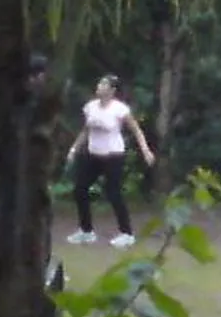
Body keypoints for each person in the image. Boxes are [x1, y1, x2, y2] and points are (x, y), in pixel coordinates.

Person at [65, 74, 154, 249]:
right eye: (99, 83)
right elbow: (86, 130)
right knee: (80, 189)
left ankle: (126, 233)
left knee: (113, 193)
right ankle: (86, 231)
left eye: (104, 84)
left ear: (112, 91)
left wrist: (145, 150)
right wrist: (73, 149)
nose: (99, 86)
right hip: (93, 155)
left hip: (113, 156)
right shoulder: (90, 107)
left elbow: (136, 130)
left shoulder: (119, 109)